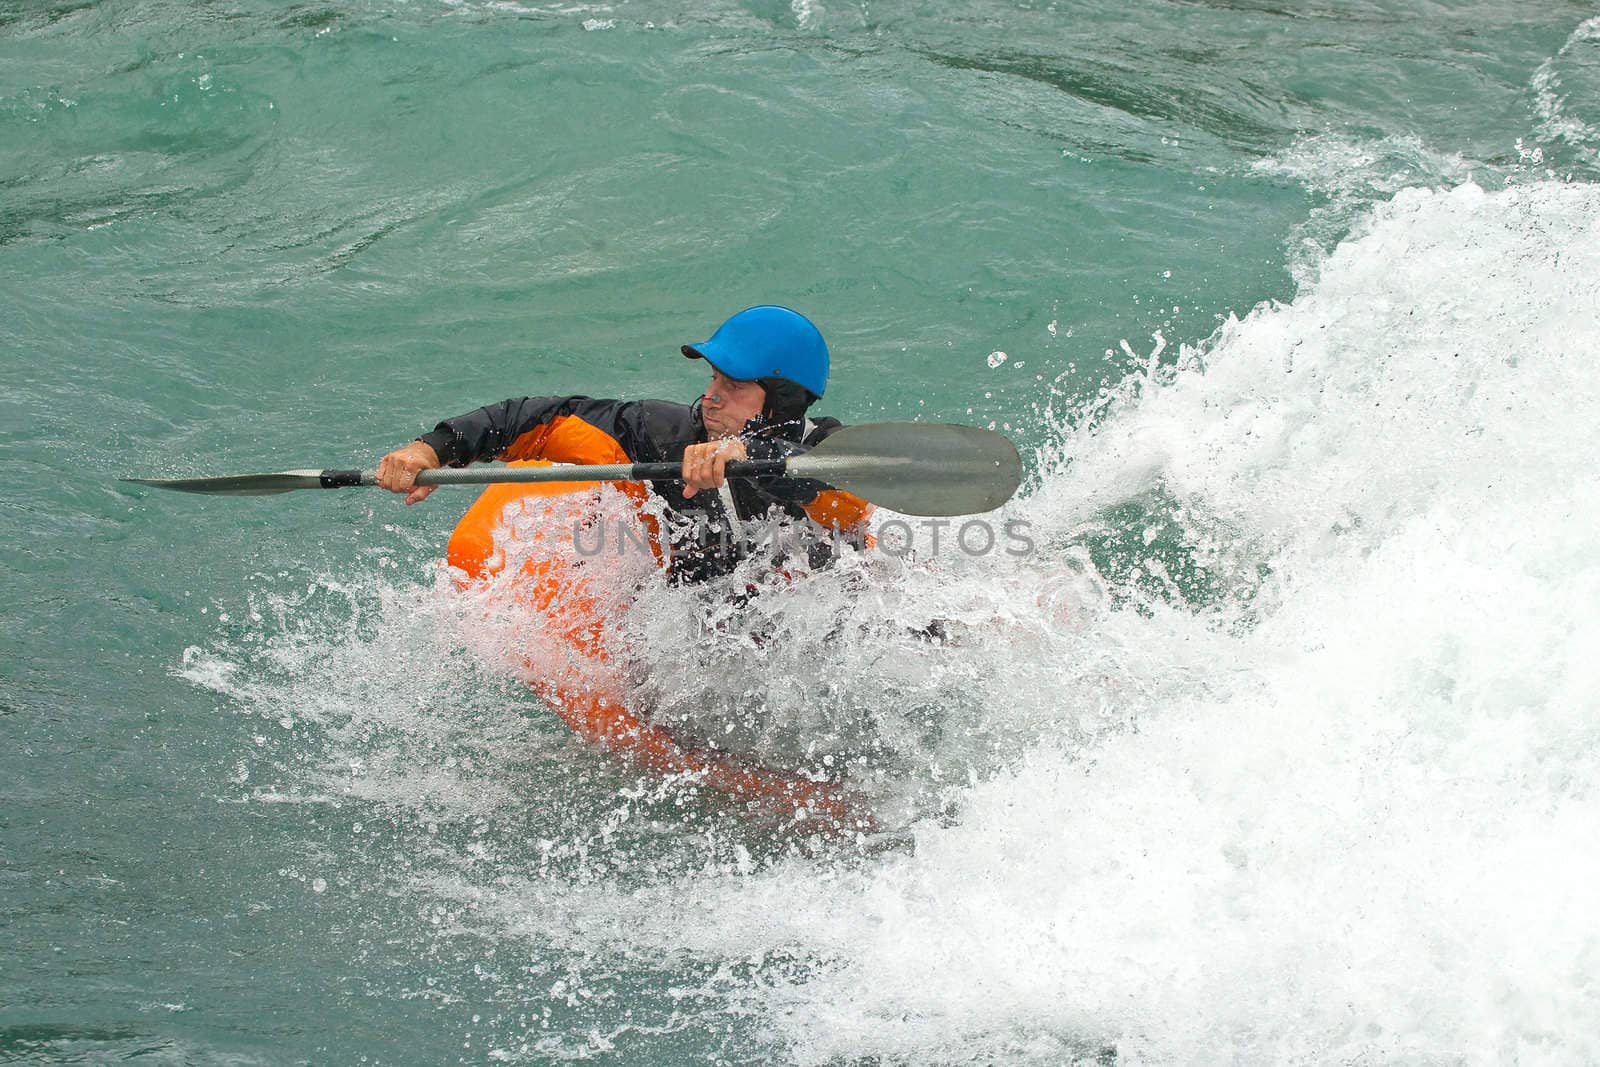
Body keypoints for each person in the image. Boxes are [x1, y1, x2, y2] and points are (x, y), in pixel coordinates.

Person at [374, 305, 873, 582]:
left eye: (734, 386)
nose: (711, 398)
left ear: (780, 402)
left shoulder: (830, 450)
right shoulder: (663, 436)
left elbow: (838, 495)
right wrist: (435, 448)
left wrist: (746, 456)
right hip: (693, 617)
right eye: (713, 379)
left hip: (810, 621)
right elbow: (541, 418)